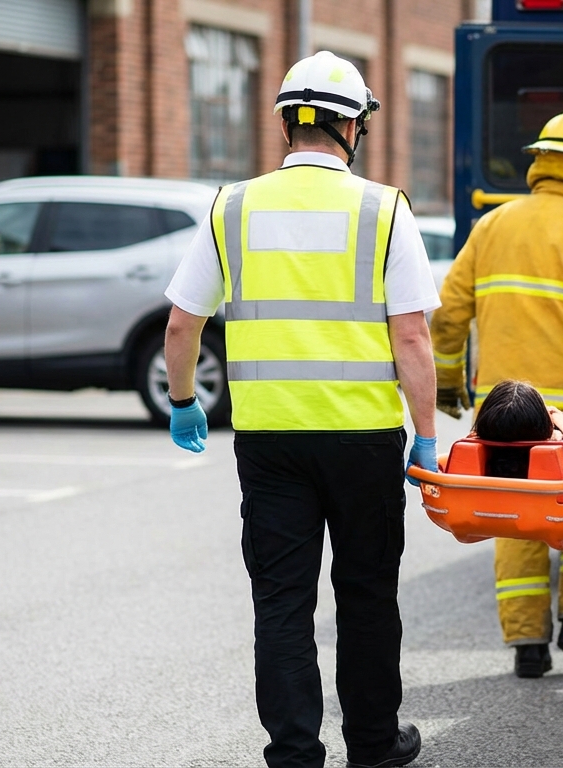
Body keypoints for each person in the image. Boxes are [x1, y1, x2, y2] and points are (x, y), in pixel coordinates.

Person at [161, 50, 439, 768]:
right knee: (367, 596)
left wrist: (185, 401)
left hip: (269, 442)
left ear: (288, 123)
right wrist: (429, 436)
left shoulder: (232, 205)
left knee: (282, 605)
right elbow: (411, 333)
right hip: (364, 439)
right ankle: (375, 747)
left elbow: (182, 324)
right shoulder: (384, 210)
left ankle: (293, 752)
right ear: (353, 129)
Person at [429, 108, 563, 679]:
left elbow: (451, 311)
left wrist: (448, 383)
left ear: (542, 161)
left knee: (511, 518)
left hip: (503, 411)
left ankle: (527, 643)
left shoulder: (492, 225)